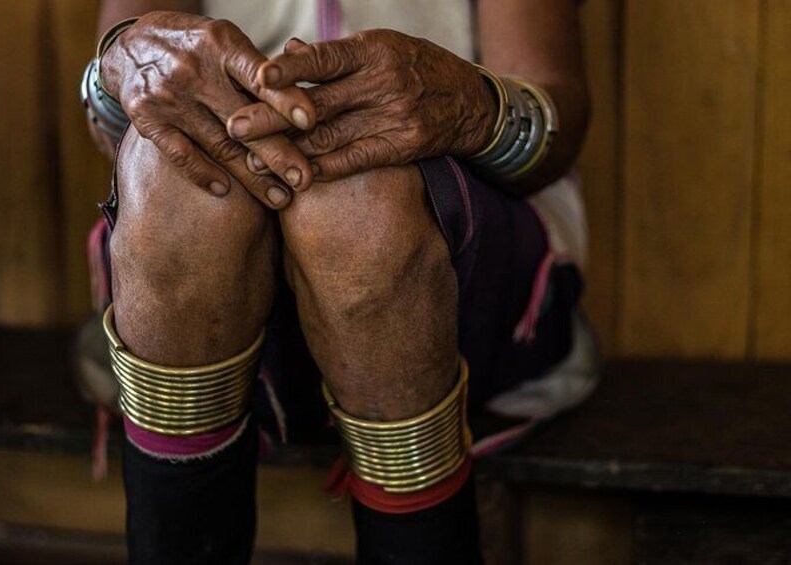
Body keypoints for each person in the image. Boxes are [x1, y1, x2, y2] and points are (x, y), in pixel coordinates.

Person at [82, 1, 598, 562]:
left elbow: (554, 109)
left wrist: (475, 104)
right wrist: (129, 71)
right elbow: (122, 65)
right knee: (180, 186)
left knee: (358, 203)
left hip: (453, 281)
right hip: (215, 280)